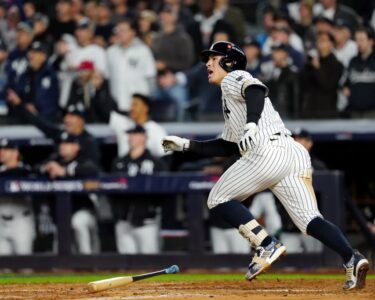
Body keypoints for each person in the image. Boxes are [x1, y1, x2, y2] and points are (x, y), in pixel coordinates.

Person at [162, 41, 369, 290]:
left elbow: (255, 89)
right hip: (292, 153)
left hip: (267, 152)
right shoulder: (229, 99)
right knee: (310, 220)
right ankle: (351, 257)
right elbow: (228, 145)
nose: (208, 63)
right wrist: (186, 145)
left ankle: (266, 244)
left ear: (229, 61)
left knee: (217, 198)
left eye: (214, 58)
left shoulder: (233, 77)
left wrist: (251, 123)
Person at [39, 132, 100, 254]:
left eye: (67, 143)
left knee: (78, 223)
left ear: (76, 146)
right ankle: (63, 267)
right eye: (62, 143)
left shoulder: (83, 159)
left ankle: (87, 262)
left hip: (84, 211)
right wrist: (47, 168)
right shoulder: (55, 160)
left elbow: (92, 169)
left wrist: (65, 171)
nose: (62, 146)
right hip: (61, 213)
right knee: (60, 246)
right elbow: (37, 168)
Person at [111, 125, 167, 254]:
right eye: (130, 134)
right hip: (123, 220)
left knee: (150, 265)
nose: (131, 137)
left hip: (147, 221)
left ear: (144, 137)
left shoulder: (156, 163)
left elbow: (164, 192)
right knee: (125, 266)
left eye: (135, 134)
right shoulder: (119, 163)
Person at [7, 94, 100, 163]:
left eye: (72, 116)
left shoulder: (89, 141)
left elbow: (92, 166)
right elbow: (39, 123)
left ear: (81, 120)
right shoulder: (61, 134)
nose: (66, 119)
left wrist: (67, 170)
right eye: (66, 116)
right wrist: (19, 105)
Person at [0, 138, 35, 255]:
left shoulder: (25, 171)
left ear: (16, 152)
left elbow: (16, 173)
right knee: (3, 268)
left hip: (21, 221)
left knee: (25, 266)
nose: (2, 152)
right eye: (1, 149)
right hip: (1, 222)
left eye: (6, 149)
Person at [109, 93, 167, 158]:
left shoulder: (157, 130)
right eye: (131, 105)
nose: (131, 108)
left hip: (146, 167)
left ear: (146, 108)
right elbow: (104, 109)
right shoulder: (122, 122)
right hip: (123, 166)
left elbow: (166, 156)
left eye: (135, 105)